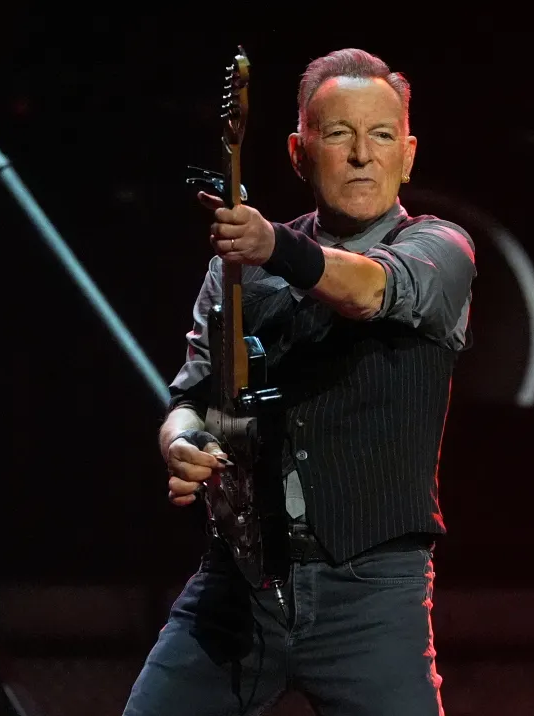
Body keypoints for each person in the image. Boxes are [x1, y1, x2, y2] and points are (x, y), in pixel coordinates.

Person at [123, 48, 476, 716]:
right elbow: (191, 398)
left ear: (408, 154)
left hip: (371, 597)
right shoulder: (239, 267)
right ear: (298, 152)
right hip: (238, 590)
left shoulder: (440, 249)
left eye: (380, 136)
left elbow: (374, 290)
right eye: (339, 134)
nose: (362, 155)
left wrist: (276, 250)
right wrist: (183, 444)